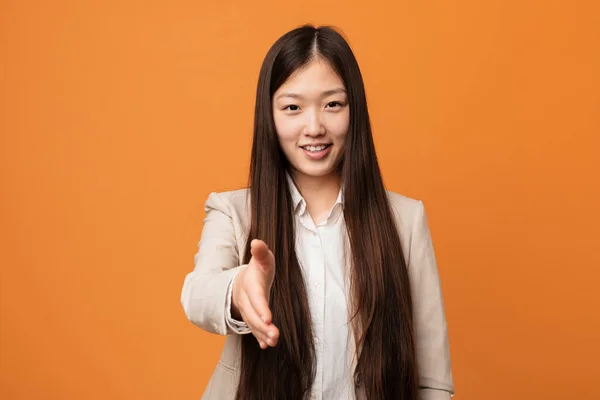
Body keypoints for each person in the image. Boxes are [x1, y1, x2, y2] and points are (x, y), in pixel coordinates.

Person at [181, 24, 454, 400]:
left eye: (332, 104)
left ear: (353, 109)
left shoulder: (405, 221)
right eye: (292, 107)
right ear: (269, 116)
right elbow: (197, 294)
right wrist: (238, 288)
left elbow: (432, 381)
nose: (314, 127)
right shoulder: (233, 211)